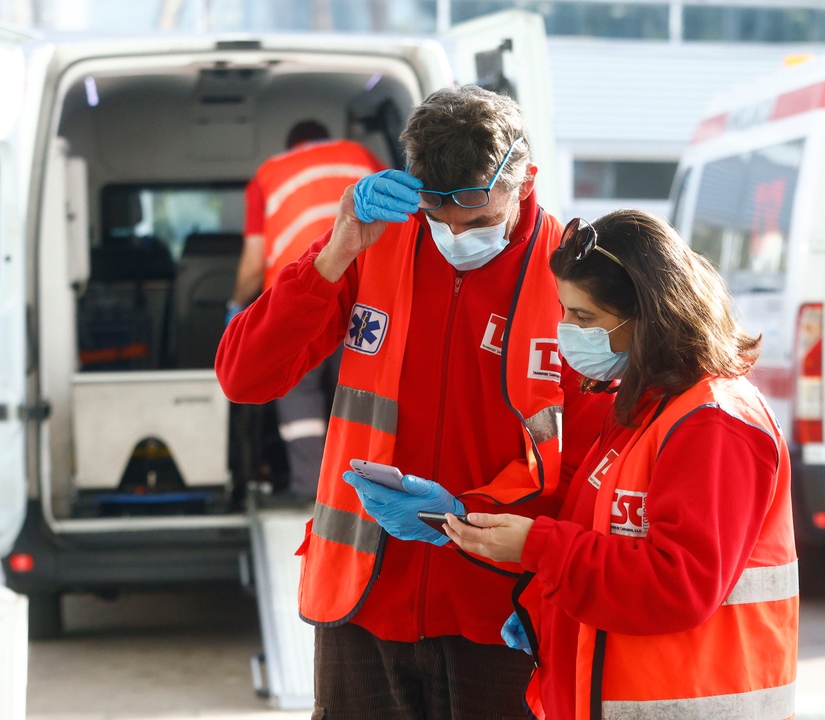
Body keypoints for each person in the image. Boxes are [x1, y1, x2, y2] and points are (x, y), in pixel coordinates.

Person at [216, 86, 609, 719]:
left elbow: (597, 466)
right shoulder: (375, 245)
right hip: (362, 605)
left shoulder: (575, 277)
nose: (455, 236)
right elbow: (243, 376)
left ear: (525, 178)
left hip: (501, 616)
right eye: (438, 217)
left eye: (478, 221)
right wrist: (335, 248)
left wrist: (464, 516)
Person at [441, 210, 800, 720]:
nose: (566, 333)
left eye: (583, 318)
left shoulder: (713, 424)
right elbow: (600, 541)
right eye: (563, 312)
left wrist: (539, 547)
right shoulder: (643, 408)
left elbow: (679, 585)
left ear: (651, 315)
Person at [229, 120, 386, 498]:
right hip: (368, 301)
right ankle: (367, 495)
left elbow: (253, 264)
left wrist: (236, 306)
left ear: (291, 145)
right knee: (360, 399)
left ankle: (312, 495)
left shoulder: (268, 175)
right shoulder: (360, 156)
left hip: (302, 304)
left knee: (301, 404)